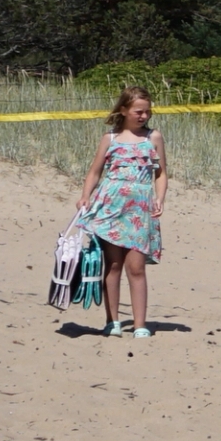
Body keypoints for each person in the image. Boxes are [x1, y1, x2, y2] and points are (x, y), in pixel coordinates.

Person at [70, 87, 171, 340]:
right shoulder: (110, 138)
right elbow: (95, 172)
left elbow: (160, 174)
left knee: (136, 267)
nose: (144, 116)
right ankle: (112, 321)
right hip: (110, 206)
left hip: (139, 208)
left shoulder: (153, 137)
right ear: (124, 110)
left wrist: (160, 198)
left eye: (148, 111)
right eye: (139, 111)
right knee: (112, 265)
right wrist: (85, 195)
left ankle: (139, 324)